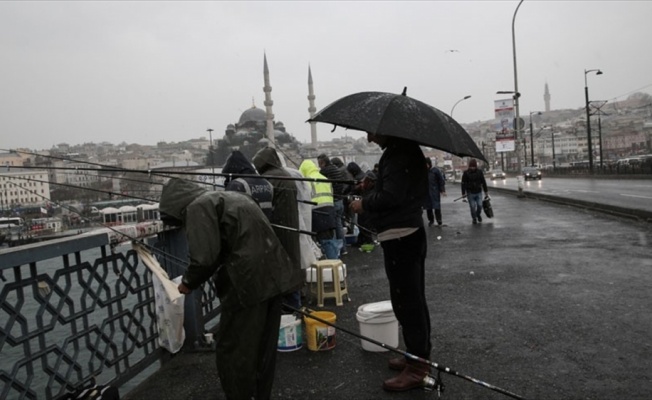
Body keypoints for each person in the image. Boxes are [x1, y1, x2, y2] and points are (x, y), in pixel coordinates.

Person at [159, 178, 301, 400]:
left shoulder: (197, 207)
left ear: (176, 205)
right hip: (275, 276)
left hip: (246, 285)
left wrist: (187, 283)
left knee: (234, 350)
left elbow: (204, 258)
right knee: (264, 348)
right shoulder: (232, 196)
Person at [349, 133, 432, 392]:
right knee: (412, 300)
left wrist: (364, 202)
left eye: (372, 131)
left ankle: (418, 369)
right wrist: (372, 187)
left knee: (408, 303)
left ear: (387, 129)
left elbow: (391, 198)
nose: (369, 137)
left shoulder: (398, 154)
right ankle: (416, 357)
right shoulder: (403, 150)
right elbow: (395, 190)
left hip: (400, 236)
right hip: (407, 233)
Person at [252, 147, 304, 310]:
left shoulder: (269, 179)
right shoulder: (285, 175)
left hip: (277, 231)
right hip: (291, 227)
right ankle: (295, 307)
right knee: (291, 266)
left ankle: (287, 311)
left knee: (280, 269)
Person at [299, 159, 339, 260]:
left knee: (321, 242)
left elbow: (304, 198)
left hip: (316, 212)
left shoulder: (307, 180)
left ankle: (330, 264)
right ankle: (335, 262)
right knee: (330, 240)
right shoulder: (324, 178)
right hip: (330, 210)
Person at [222, 150, 274, 220]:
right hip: (266, 227)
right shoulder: (267, 183)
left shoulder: (237, 184)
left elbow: (228, 214)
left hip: (246, 228)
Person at [317, 154, 348, 256]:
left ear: (323, 163)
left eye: (319, 164)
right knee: (339, 225)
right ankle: (343, 248)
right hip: (340, 200)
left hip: (333, 201)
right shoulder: (335, 168)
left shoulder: (324, 172)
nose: (319, 166)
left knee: (333, 228)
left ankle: (336, 250)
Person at [461, 158, 488, 224]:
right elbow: (463, 184)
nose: (473, 168)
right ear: (469, 166)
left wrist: (486, 192)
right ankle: (474, 218)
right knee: (472, 206)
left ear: (476, 166)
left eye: (474, 166)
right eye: (471, 166)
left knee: (480, 205)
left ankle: (478, 214)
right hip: (470, 192)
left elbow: (483, 182)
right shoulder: (466, 173)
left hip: (478, 191)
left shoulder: (479, 172)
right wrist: (463, 193)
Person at [423, 157, 446, 226]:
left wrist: (442, 190)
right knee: (428, 207)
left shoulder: (435, 171)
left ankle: (439, 219)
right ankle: (431, 220)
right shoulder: (423, 172)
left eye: (426, 164)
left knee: (437, 207)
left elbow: (441, 181)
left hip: (434, 191)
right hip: (426, 192)